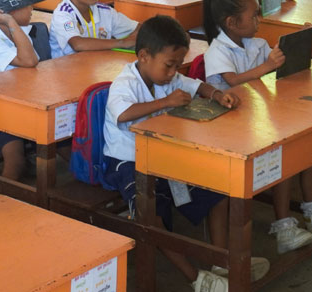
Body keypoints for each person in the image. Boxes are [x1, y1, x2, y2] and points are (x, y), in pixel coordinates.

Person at [102, 16, 252, 292]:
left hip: (164, 155)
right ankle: (197, 278)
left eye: (177, 66)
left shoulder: (169, 76)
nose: (173, 73)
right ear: (144, 56)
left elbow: (197, 86)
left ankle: (220, 260)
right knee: (150, 215)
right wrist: (166, 102)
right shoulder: (125, 83)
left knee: (216, 192)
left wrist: (217, 94)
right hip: (127, 160)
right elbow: (124, 114)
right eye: (169, 65)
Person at [202, 0, 312, 254]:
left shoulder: (256, 44)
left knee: (306, 139)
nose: (259, 21)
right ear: (232, 23)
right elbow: (232, 82)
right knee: (283, 152)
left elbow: (278, 66)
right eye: (254, 16)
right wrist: (266, 66)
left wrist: (300, 41)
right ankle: (284, 227)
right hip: (228, 129)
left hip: (253, 118)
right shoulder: (217, 51)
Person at [0, 0, 49, 179]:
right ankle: (1, 205)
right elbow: (30, 60)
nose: (32, 8)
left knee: (62, 139)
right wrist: (10, 22)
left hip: (25, 100)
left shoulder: (21, 32)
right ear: (10, 11)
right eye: (27, 5)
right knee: (16, 162)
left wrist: (12, 24)